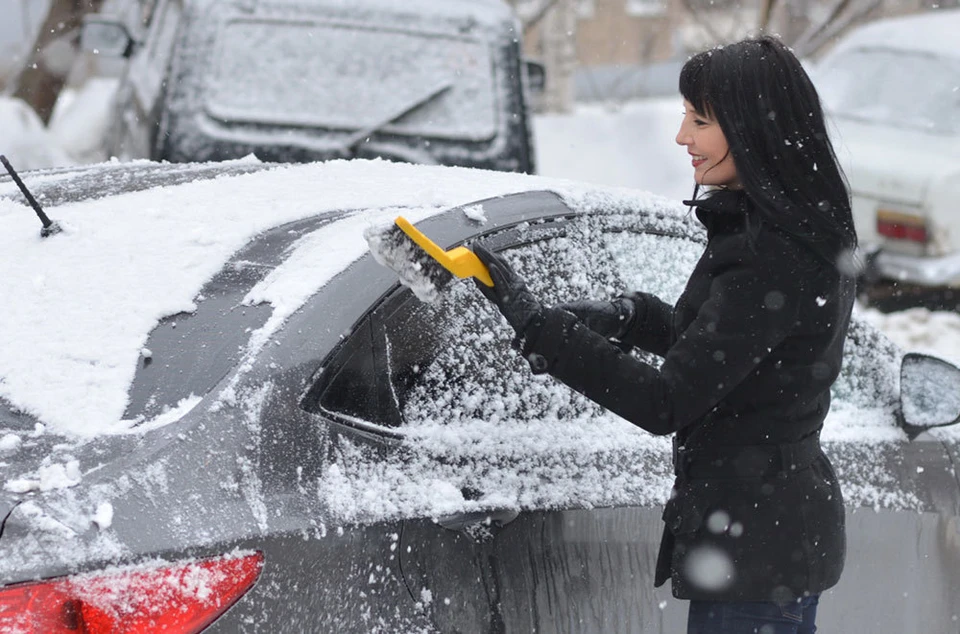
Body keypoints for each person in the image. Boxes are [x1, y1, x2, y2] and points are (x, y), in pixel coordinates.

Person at [472, 35, 857, 634]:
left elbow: (669, 400)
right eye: (684, 117)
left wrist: (541, 328)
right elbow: (723, 351)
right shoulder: (777, 232)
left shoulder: (772, 255)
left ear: (754, 130)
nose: (683, 137)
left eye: (700, 120)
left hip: (758, 547)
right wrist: (628, 316)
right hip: (764, 536)